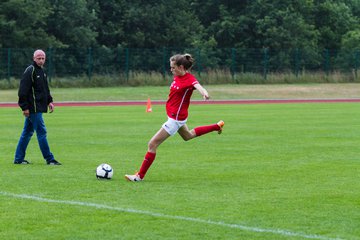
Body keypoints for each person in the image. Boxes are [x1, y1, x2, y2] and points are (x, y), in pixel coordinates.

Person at [125, 53, 224, 181]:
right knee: (188, 136)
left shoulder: (189, 79)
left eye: (173, 67)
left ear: (181, 67)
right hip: (177, 117)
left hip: (175, 119)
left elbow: (198, 86)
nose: (171, 70)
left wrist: (204, 93)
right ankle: (216, 126)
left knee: (152, 144)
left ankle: (139, 176)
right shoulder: (177, 76)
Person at [14, 49, 61, 165]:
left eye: (42, 58)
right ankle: (50, 159)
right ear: (34, 58)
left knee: (27, 132)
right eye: (38, 58)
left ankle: (18, 159)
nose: (41, 60)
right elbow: (22, 91)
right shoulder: (30, 71)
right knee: (42, 132)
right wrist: (24, 107)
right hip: (33, 108)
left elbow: (45, 89)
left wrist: (49, 101)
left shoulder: (42, 71)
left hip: (38, 107)